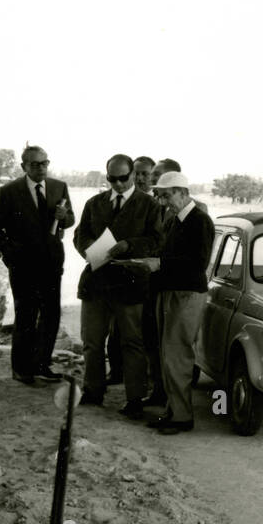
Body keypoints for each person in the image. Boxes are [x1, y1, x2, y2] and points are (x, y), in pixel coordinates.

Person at [73, 154, 164, 416]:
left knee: (131, 342)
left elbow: (157, 240)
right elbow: (81, 234)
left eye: (123, 178)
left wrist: (129, 246)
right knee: (91, 340)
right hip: (97, 281)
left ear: (133, 175)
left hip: (130, 282)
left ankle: (134, 399)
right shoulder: (94, 203)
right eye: (112, 179)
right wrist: (89, 251)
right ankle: (92, 391)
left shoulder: (148, 205)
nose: (118, 184)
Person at [0, 146, 75, 384]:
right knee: (26, 316)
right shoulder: (8, 191)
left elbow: (70, 219)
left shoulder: (59, 187)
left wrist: (64, 216)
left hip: (52, 263)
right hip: (23, 265)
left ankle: (42, 364)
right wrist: (8, 252)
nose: (41, 168)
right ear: (23, 166)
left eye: (45, 163)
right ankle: (22, 368)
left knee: (50, 315)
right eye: (35, 164)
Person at [137, 171, 214, 435]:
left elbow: (198, 264)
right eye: (160, 195)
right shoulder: (176, 220)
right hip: (172, 293)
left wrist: (160, 264)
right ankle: (173, 411)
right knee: (169, 355)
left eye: (167, 195)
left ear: (182, 192)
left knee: (177, 355)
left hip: (186, 295)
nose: (163, 201)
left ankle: (181, 416)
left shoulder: (199, 221)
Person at [105, 156, 156, 386]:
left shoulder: (157, 202)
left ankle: (146, 379)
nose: (144, 178)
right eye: (140, 173)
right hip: (122, 275)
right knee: (117, 328)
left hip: (151, 276)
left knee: (144, 331)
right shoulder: (121, 200)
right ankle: (117, 371)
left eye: (148, 174)